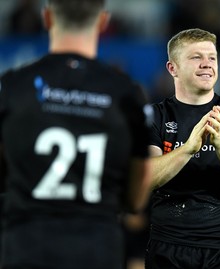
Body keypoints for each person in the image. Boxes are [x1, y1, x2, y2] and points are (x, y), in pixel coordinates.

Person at [0, 0, 153, 268]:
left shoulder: (13, 86)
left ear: (47, 18)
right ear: (103, 22)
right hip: (97, 250)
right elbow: (138, 195)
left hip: (25, 247)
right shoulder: (127, 94)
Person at [145, 28, 220, 269]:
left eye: (212, 57)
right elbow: (144, 177)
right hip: (168, 246)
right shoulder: (154, 117)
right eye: (196, 57)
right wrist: (189, 148)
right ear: (173, 68)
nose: (207, 64)